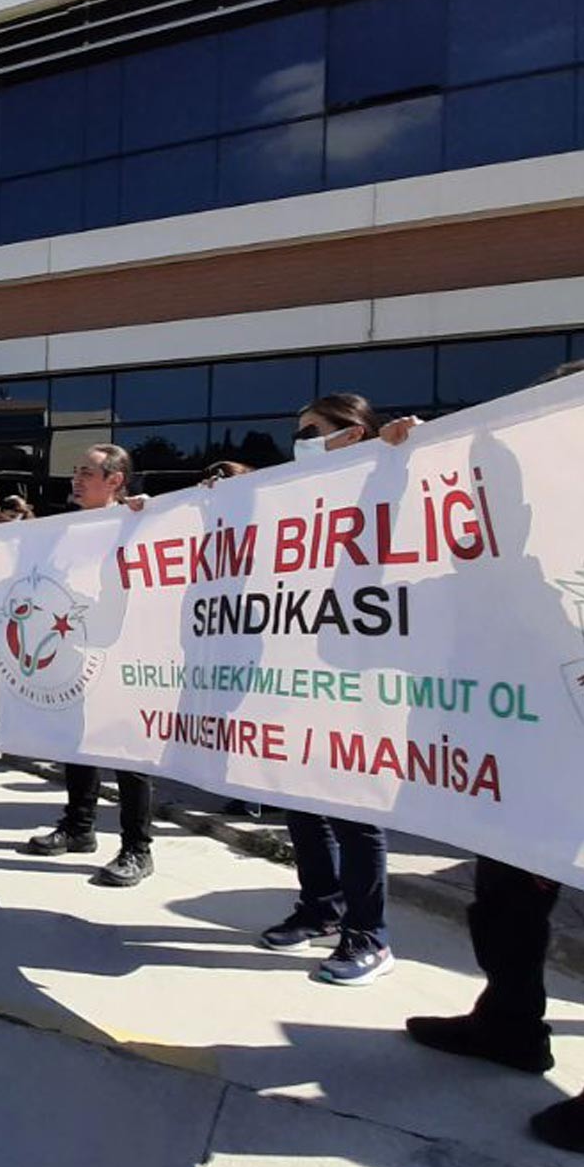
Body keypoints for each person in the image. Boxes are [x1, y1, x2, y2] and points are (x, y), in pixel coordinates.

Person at [401, 357, 584, 1154]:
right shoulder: (524, 516)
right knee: (505, 895)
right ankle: (511, 1021)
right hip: (528, 745)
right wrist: (406, 463)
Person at [255, 392, 394, 984]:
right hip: (299, 667)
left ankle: (371, 935)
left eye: (313, 429)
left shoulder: (386, 475)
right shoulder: (296, 495)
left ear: (354, 432)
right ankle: (322, 908)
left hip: (360, 673)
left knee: (355, 811)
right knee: (303, 800)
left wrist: (410, 443)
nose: (302, 439)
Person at [24, 446, 157, 888]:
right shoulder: (69, 528)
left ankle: (138, 849)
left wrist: (145, 516)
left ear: (116, 480)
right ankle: (78, 827)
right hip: (79, 653)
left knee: (127, 756)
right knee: (77, 746)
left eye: (86, 472)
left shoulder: (138, 519)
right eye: (75, 472)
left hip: (125, 655)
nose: (75, 480)